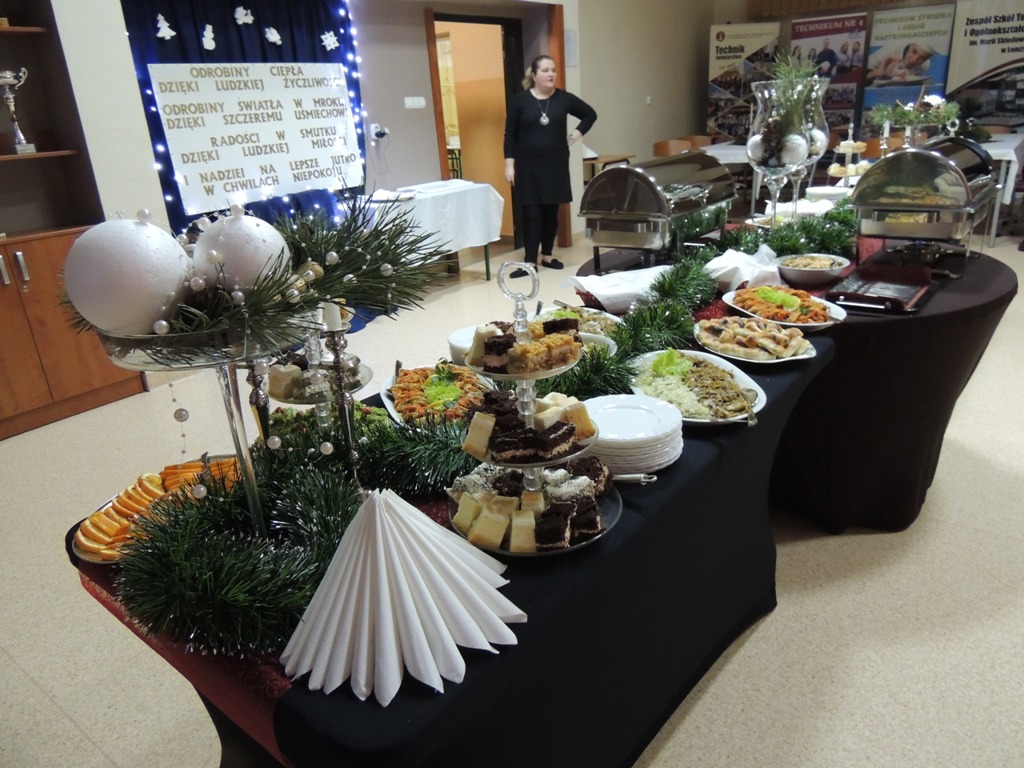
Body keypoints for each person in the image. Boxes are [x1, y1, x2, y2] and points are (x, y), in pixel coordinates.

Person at [503, 55, 597, 276]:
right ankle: (529, 262)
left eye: (553, 70)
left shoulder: (563, 98)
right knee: (531, 213)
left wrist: (574, 136)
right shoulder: (519, 100)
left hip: (555, 164)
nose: (551, 74)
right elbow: (510, 135)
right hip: (527, 166)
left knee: (550, 212)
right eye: (545, 70)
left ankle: (547, 255)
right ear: (534, 75)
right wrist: (509, 165)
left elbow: (590, 114)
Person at [866, 42, 934, 84]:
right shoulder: (886, 53)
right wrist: (878, 72)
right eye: (914, 52)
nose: (914, 60)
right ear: (910, 46)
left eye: (922, 58)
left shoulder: (924, 66)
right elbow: (862, 77)